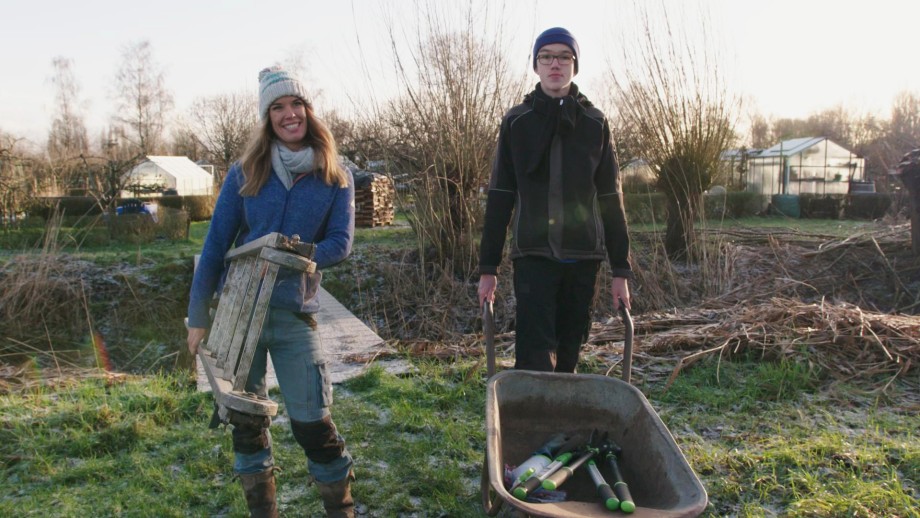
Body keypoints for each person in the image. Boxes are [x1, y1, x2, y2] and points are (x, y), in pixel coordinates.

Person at [187, 65, 356, 518]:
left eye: (295, 104)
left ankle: (341, 510)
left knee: (313, 423)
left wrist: (297, 253)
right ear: (267, 117)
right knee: (246, 421)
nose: (288, 114)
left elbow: (341, 242)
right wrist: (197, 316)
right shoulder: (245, 172)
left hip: (292, 312)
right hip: (238, 314)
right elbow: (215, 244)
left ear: (308, 110)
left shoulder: (334, 176)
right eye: (277, 107)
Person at [477, 27, 633, 373]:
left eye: (564, 56)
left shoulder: (594, 123)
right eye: (546, 57)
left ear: (575, 65)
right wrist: (488, 268)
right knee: (534, 353)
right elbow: (500, 195)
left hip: (583, 255)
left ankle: (564, 422)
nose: (555, 64)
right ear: (536, 66)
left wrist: (620, 269)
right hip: (533, 254)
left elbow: (611, 197)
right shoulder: (518, 122)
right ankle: (535, 423)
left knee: (570, 351)